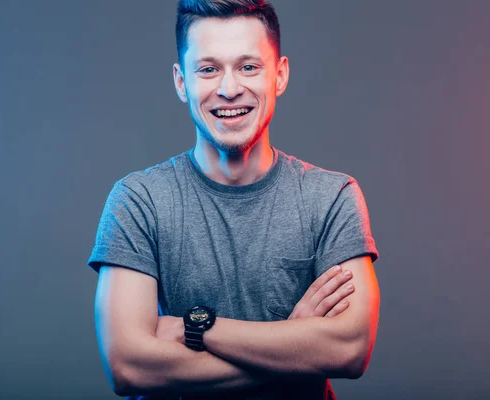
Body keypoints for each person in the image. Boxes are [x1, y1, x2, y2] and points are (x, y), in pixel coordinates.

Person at [88, 1, 380, 399]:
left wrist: (193, 325)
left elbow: (349, 351)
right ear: (180, 81)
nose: (229, 89)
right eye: (208, 69)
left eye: (248, 67)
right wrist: (294, 345)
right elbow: (128, 366)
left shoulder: (331, 197)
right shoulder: (139, 201)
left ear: (279, 76)